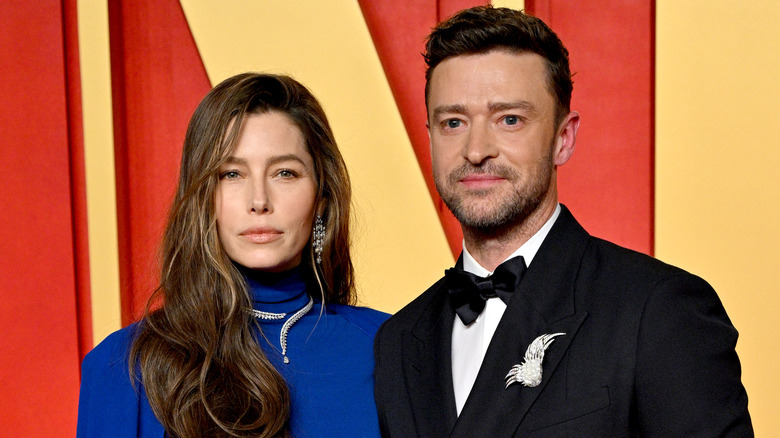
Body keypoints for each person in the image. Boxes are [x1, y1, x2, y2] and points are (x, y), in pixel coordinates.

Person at [373, 6, 752, 437]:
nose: (476, 149)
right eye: (453, 122)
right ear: (430, 138)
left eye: (509, 120)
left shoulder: (657, 310)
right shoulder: (399, 340)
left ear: (563, 138)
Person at [77, 73, 389, 437]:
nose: (259, 201)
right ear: (203, 198)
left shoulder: (387, 345)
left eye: (285, 173)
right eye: (231, 174)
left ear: (322, 197)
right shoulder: (124, 365)